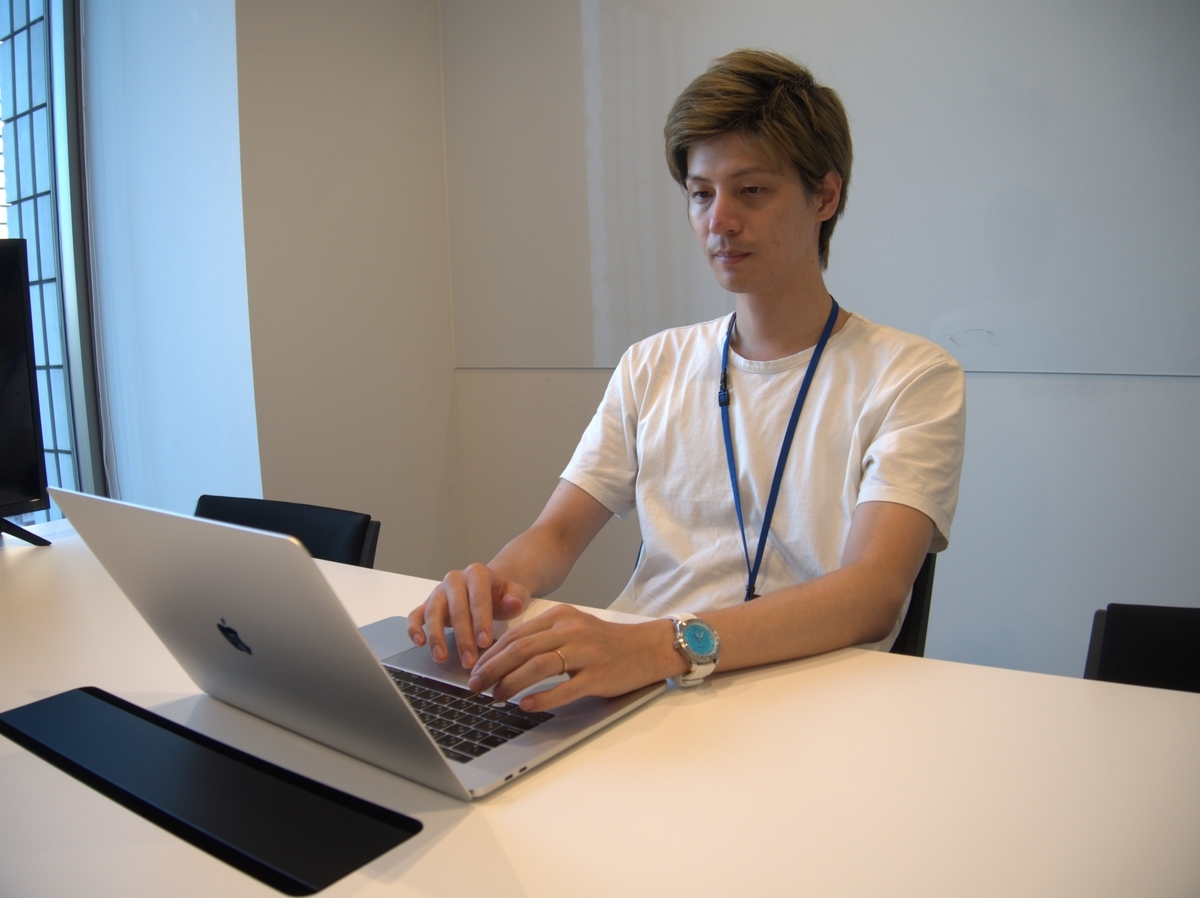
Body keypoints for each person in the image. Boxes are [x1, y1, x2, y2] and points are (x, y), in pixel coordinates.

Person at [407, 49, 965, 712]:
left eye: (750, 191)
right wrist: (492, 584)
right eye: (701, 194)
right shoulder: (653, 364)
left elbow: (872, 593)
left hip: (806, 703)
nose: (718, 221)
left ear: (825, 195)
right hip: (634, 689)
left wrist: (660, 646)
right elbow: (555, 537)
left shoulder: (911, 376)